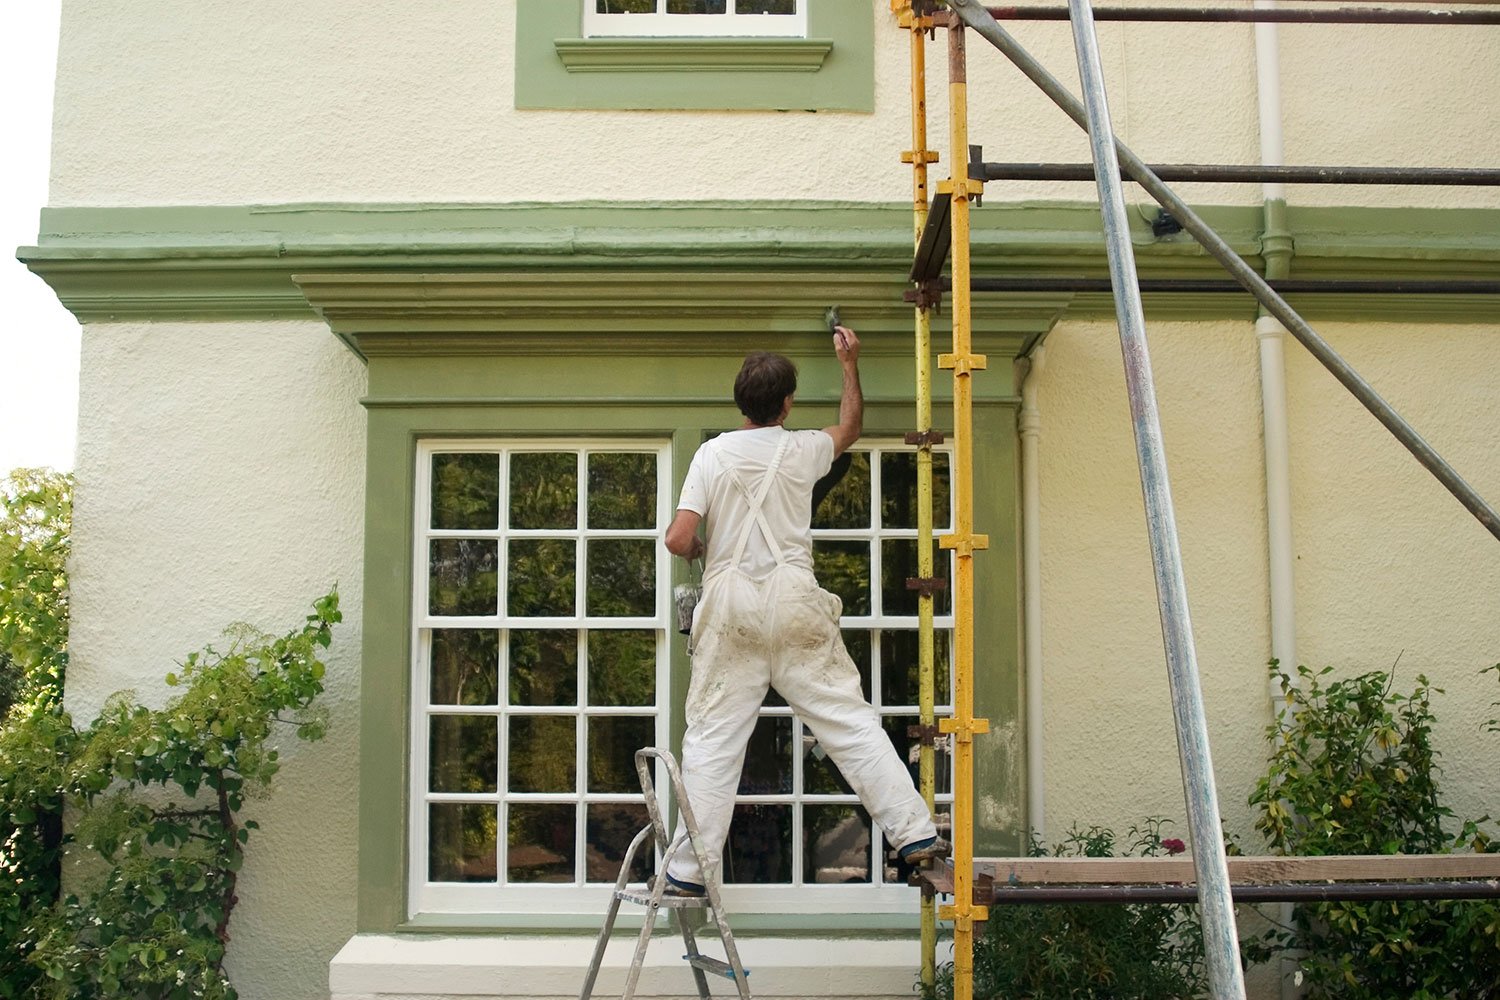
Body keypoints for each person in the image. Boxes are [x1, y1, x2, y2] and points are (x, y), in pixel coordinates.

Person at [659, 325, 948, 897]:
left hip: (730, 602)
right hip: (795, 599)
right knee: (847, 720)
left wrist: (700, 549)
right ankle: (914, 833)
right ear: (787, 403)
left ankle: (690, 872)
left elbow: (678, 537)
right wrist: (849, 364)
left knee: (715, 738)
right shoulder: (802, 448)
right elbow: (851, 428)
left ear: (740, 402)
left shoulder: (712, 455)